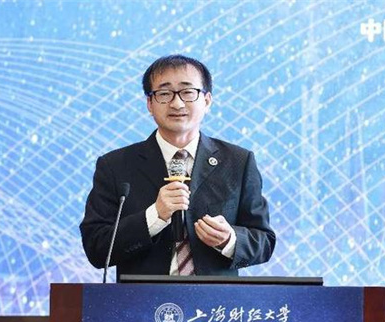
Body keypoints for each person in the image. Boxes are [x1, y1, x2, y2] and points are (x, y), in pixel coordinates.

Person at [80, 54, 275, 276]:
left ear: (207, 101)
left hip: (215, 297)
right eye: (164, 93)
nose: (177, 103)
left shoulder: (238, 162)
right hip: (141, 296)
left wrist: (229, 240)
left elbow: (264, 241)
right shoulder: (115, 166)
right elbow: (96, 247)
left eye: (188, 92)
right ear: (150, 104)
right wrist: (154, 216)